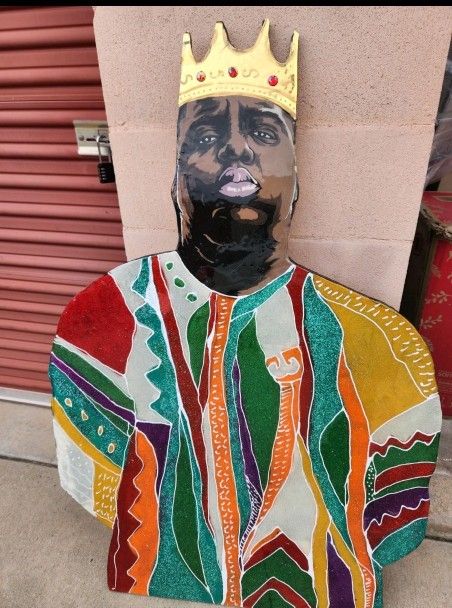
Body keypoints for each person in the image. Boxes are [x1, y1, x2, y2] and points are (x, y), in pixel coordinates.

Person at [49, 20, 441, 608]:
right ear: (175, 180)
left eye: (262, 131)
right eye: (207, 135)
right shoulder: (103, 318)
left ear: (296, 180)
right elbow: (97, 490)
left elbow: (393, 529)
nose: (236, 150)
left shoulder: (380, 344)